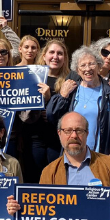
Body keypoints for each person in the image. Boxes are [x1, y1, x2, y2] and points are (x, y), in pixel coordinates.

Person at [47, 46, 110, 161]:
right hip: (73, 157)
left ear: (99, 66)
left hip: (103, 156)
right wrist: (62, 97)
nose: (87, 69)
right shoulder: (71, 90)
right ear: (77, 70)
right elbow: (52, 116)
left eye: (92, 64)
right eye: (83, 65)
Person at [18, 40, 70, 183]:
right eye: (52, 52)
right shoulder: (33, 76)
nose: (55, 56)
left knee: (55, 179)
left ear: (65, 57)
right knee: (34, 178)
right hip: (34, 137)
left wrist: (48, 102)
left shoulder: (70, 79)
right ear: (44, 55)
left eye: (60, 53)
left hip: (57, 140)